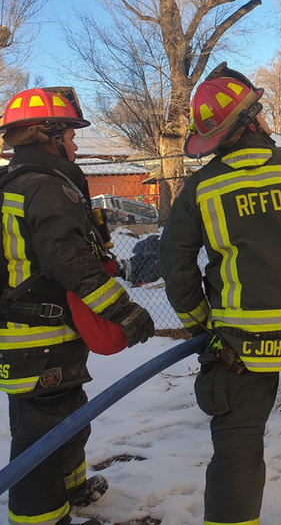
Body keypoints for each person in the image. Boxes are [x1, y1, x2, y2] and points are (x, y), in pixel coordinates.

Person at [160, 63, 281, 525]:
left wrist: (199, 324)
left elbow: (176, 262)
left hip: (238, 345)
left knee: (237, 439)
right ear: (251, 122)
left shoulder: (201, 187)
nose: (268, 121)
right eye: (262, 113)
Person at [0, 87, 155, 525]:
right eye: (69, 133)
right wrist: (122, 311)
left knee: (65, 416)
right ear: (48, 134)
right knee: (41, 436)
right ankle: (40, 517)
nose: (75, 143)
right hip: (38, 334)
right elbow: (71, 261)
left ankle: (72, 489)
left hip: (30, 332)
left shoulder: (15, 183)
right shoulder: (46, 188)